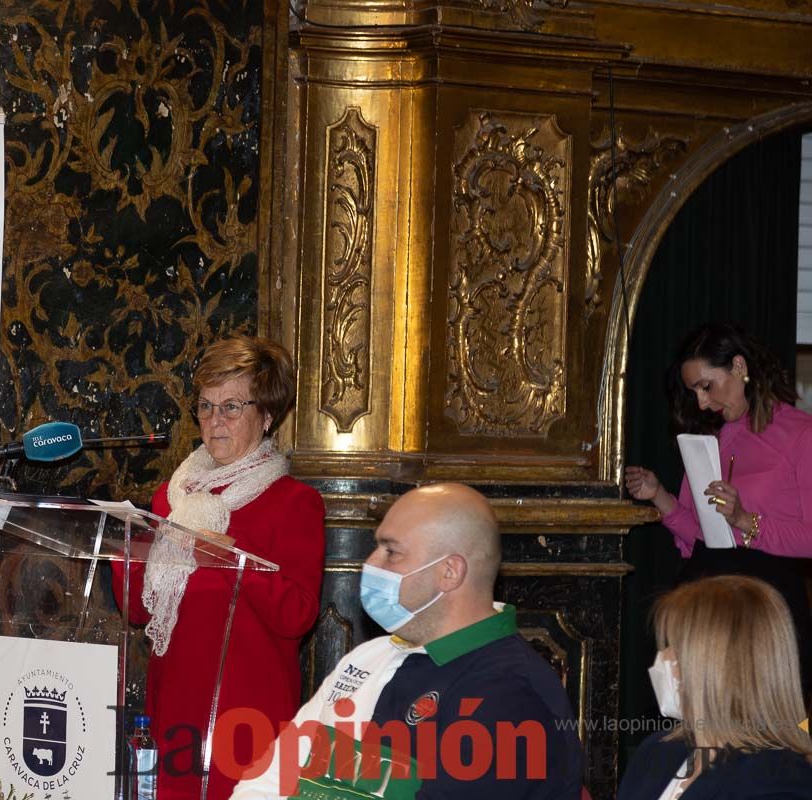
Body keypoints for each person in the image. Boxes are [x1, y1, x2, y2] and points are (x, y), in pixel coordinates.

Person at [227, 483, 583, 799]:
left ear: (449, 572)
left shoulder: (511, 695)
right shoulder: (371, 656)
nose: (370, 563)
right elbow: (269, 777)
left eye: (391, 552)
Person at [113, 335, 326, 800]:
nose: (214, 422)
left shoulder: (294, 503)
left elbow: (298, 615)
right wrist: (121, 547)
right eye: (205, 407)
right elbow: (137, 610)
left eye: (231, 407)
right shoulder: (172, 498)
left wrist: (233, 553)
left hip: (248, 721)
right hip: (171, 715)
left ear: (267, 415)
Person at [624, 322, 812, 689]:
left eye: (706, 386)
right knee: (690, 723)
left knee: (757, 733)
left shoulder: (800, 434)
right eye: (695, 391)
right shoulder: (713, 437)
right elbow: (701, 534)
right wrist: (659, 495)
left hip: (764, 607)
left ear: (739, 368)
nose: (702, 403)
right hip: (704, 600)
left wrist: (745, 520)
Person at [617, 575, 812, 799]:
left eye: (676, 647)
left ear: (720, 667)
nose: (663, 657)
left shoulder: (779, 781)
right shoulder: (657, 751)